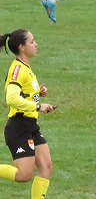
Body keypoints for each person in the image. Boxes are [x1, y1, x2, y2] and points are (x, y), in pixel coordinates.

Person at [0, 29, 56, 198]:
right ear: (22, 47)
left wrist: (38, 93)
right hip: (18, 127)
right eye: (32, 41)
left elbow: (24, 94)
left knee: (46, 166)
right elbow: (11, 98)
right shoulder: (18, 70)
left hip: (30, 125)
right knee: (24, 175)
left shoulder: (26, 67)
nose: (36, 44)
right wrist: (38, 106)